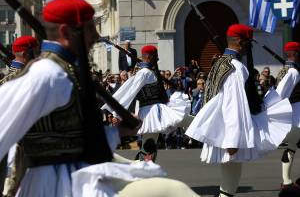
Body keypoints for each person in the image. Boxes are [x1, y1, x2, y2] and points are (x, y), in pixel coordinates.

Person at [0, 0, 200, 197]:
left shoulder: (65, 70)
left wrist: (118, 132)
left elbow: (70, 138)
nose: (96, 36)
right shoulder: (47, 75)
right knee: (174, 191)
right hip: (58, 185)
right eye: (89, 28)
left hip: (78, 175)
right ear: (66, 32)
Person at [185, 24, 293, 197]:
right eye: (248, 44)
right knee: (229, 185)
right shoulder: (235, 67)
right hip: (228, 130)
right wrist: (233, 139)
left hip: (222, 126)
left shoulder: (221, 62)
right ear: (241, 42)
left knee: (228, 183)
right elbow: (232, 103)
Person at [102, 45, 191, 161]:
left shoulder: (149, 71)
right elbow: (129, 92)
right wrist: (115, 113)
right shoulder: (144, 73)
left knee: (150, 146)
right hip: (151, 112)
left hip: (156, 110)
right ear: (150, 56)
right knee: (148, 147)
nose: (158, 59)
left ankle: (144, 165)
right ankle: (142, 167)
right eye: (156, 56)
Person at [0, 35, 38, 197]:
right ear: (26, 53)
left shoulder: (7, 79)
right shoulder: (27, 78)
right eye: (35, 51)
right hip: (23, 143)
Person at [276, 41, 300, 189]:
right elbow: (280, 94)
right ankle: (286, 181)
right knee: (292, 146)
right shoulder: (293, 72)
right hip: (297, 112)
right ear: (296, 54)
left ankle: (286, 181)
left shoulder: (284, 70)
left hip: (292, 113)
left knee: (292, 146)